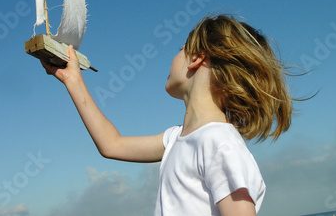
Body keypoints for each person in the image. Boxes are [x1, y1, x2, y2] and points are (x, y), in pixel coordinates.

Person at [41, 14, 294, 215]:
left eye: (181, 48)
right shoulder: (176, 139)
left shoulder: (219, 143)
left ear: (196, 59)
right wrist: (73, 80)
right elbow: (111, 145)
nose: (174, 56)